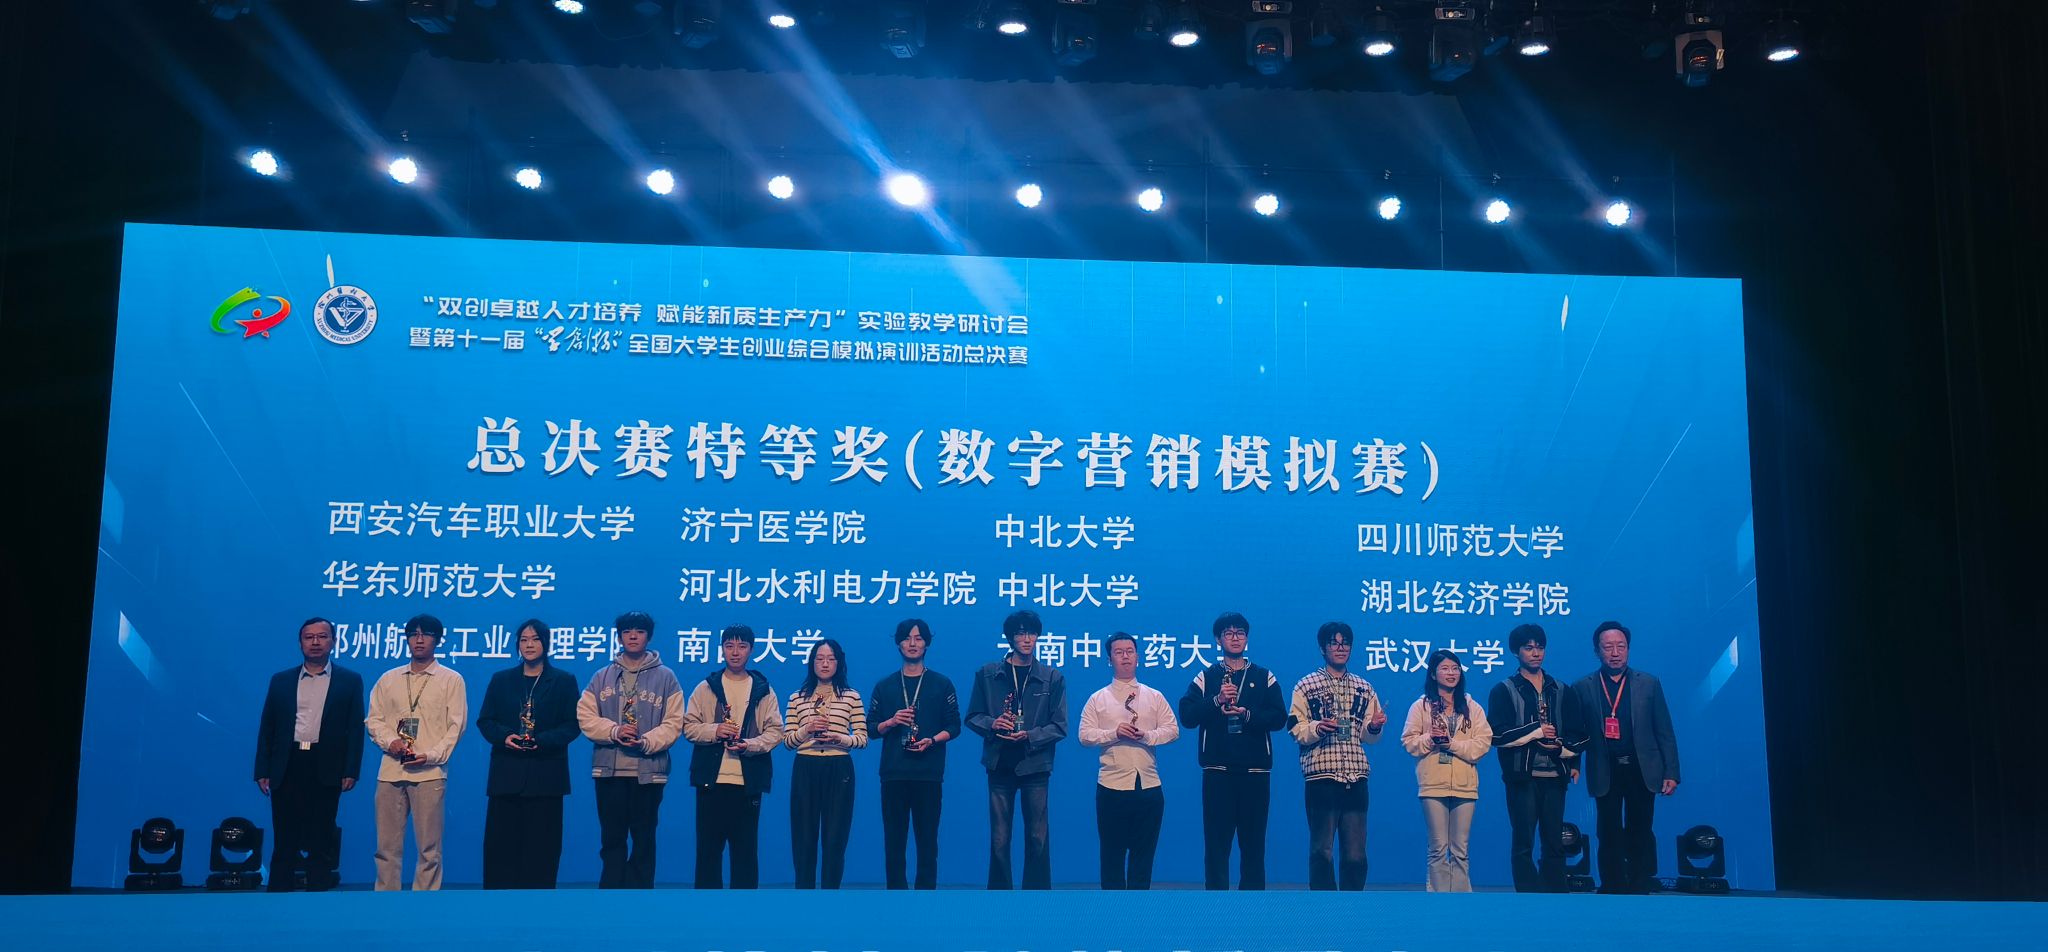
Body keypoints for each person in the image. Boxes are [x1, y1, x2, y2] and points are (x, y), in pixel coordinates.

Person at [575, 611, 687, 889]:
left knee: (644, 838)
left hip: (648, 772)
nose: (633, 636)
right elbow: (585, 716)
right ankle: (611, 894)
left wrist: (645, 741)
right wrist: (614, 731)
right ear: (619, 637)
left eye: (639, 631)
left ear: (649, 636)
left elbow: (674, 722)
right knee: (611, 838)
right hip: (609, 771)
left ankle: (640, 897)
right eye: (627, 632)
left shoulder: (666, 677)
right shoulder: (601, 676)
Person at [1177, 611, 1287, 890]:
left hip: (1255, 772)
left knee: (1254, 845)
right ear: (1218, 639)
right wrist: (1216, 700)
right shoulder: (1206, 676)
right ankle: (1217, 905)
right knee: (1216, 846)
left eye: (1240, 633)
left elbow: (1279, 718)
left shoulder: (1264, 676)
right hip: (1218, 773)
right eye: (1228, 633)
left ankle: (1253, 905)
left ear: (1247, 638)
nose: (1235, 638)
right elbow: (1187, 716)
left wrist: (1247, 714)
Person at [253, 616, 364, 891]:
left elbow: (355, 729)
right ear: (300, 642)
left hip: (326, 764)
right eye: (309, 637)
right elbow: (268, 727)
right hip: (288, 763)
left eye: (322, 636)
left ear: (333, 642)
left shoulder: (350, 680)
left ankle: (318, 894)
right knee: (285, 834)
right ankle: (278, 894)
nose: (316, 642)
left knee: (322, 834)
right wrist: (262, 769)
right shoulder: (281, 680)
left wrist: (351, 769)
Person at [1573, 620, 1681, 894]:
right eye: (1608, 647)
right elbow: (1577, 733)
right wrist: (1573, 764)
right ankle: (1612, 883)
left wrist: (1671, 771)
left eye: (1621, 646)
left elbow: (1664, 730)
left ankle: (1640, 882)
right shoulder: (1583, 686)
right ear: (1597, 651)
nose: (1615, 653)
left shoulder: (1649, 683)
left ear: (1628, 649)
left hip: (1642, 767)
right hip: (1605, 767)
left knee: (1641, 827)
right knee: (1607, 829)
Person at [363, 613, 468, 891]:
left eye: (426, 634)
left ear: (438, 640)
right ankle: (386, 900)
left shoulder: (451, 679)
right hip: (390, 771)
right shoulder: (389, 679)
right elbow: (373, 720)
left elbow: (456, 726)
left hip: (429, 772)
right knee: (386, 848)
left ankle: (425, 903)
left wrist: (431, 755)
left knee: (429, 850)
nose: (419, 640)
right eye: (413, 634)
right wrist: (391, 742)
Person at [964, 609, 1068, 890]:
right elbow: (972, 716)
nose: (1027, 638)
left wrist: (1030, 735)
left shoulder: (1052, 677)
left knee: (1037, 837)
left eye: (1032, 633)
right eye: (1021, 633)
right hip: (999, 764)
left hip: (1035, 765)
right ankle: (1000, 900)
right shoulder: (988, 674)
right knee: (999, 839)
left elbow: (1060, 726)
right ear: (1010, 637)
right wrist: (993, 723)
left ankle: (1037, 900)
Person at [477, 618, 580, 889]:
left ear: (546, 643)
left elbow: (572, 725)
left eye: (535, 639)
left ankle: (538, 906)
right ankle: (497, 904)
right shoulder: (501, 680)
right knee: (500, 850)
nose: (529, 645)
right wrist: (505, 737)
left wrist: (541, 741)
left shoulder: (564, 681)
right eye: (523, 640)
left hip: (546, 777)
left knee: (542, 851)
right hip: (506, 776)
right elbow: (486, 720)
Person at [1284, 621, 1388, 891]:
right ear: (1323, 648)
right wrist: (1318, 728)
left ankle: (1352, 907)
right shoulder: (1306, 685)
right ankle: (1323, 908)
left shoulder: (1364, 687)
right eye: (1334, 643)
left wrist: (1374, 726)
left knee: (1356, 855)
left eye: (1345, 643)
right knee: (1322, 851)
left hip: (1356, 777)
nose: (1340, 648)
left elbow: (1368, 736)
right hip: (1322, 777)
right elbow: (1295, 729)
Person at [1486, 623, 1588, 893]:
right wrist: (1536, 731)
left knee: (1554, 841)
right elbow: (1496, 735)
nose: (1535, 653)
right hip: (1522, 777)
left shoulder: (1561, 689)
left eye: (1540, 647)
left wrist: (1563, 752)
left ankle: (1555, 894)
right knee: (1523, 842)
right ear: (1515, 652)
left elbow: (1579, 735)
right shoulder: (1504, 689)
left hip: (1555, 776)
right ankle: (1528, 898)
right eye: (1528, 648)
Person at [682, 624, 784, 889]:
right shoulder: (706, 687)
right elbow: (689, 727)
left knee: (745, 854)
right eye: (729, 646)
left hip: (747, 783)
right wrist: (715, 730)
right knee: (708, 853)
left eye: (741, 646)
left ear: (751, 650)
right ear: (722, 649)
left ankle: (745, 910)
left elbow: (776, 731)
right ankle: (706, 909)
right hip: (711, 782)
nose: (735, 652)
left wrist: (749, 745)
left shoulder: (763, 689)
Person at [1077, 631, 1179, 890]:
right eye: (1119, 652)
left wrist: (1147, 736)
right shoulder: (1098, 698)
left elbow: (1172, 730)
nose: (1125, 656)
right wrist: (1114, 733)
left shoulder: (1154, 696)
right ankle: (1113, 912)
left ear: (1138, 657)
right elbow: (1084, 735)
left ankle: (1139, 911)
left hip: (1149, 786)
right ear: (1109, 659)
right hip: (1111, 786)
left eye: (1130, 651)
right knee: (1111, 856)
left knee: (1143, 858)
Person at [866, 618, 961, 890]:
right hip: (894, 774)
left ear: (927, 643)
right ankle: (896, 897)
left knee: (927, 842)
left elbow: (954, 726)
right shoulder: (885, 686)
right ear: (898, 643)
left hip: (928, 774)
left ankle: (925, 898)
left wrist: (932, 740)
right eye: (907, 638)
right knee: (894, 841)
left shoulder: (942, 684)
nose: (912, 643)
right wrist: (892, 721)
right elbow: (871, 729)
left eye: (918, 638)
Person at [1400, 648, 1493, 892]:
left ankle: (1461, 902)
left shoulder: (1472, 707)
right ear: (1433, 674)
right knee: (1438, 848)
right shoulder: (1421, 706)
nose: (1451, 673)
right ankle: (1438, 901)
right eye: (1445, 668)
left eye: (1455, 668)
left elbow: (1482, 744)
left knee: (1461, 849)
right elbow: (1409, 742)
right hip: (1433, 785)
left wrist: (1452, 745)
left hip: (1465, 785)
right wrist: (1430, 738)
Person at [784, 639, 867, 889]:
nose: (825, 664)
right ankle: (804, 895)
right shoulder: (797, 698)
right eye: (819, 659)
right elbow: (787, 741)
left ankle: (831, 896)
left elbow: (862, 738)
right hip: (805, 767)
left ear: (839, 663)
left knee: (835, 838)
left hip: (839, 767)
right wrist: (806, 730)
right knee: (804, 838)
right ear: (812, 663)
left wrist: (839, 738)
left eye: (830, 659)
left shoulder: (851, 697)